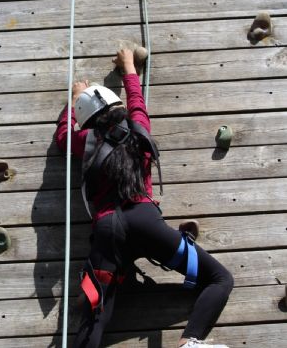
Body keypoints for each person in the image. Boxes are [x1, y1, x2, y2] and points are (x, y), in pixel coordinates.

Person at [55, 48, 234, 348]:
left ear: (86, 122)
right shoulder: (139, 129)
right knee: (220, 279)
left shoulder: (85, 140)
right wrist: (128, 66)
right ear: (119, 109)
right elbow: (137, 101)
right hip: (145, 222)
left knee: (97, 312)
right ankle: (190, 342)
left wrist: (74, 100)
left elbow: (63, 137)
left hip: (108, 232)